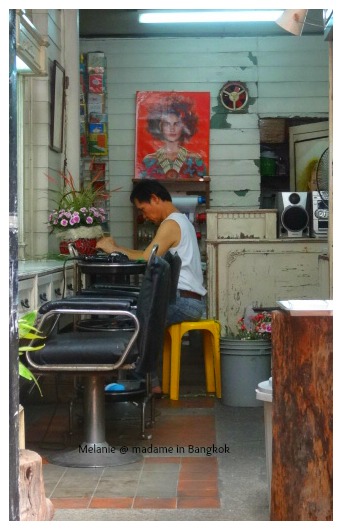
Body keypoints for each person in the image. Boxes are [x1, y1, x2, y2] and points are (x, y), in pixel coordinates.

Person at [96, 180, 207, 394]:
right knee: (137, 316)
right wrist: (117, 249)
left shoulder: (171, 223)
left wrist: (113, 249)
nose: (144, 216)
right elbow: (148, 256)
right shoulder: (182, 221)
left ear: (155, 198)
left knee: (130, 320)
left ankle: (135, 380)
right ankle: (149, 380)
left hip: (182, 301)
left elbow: (147, 259)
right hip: (187, 299)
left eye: (143, 209)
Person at [137, 94, 207, 179]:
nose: (172, 129)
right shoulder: (149, 160)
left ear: (184, 126)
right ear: (159, 127)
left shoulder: (195, 160)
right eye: (167, 124)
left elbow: (203, 186)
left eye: (177, 124)